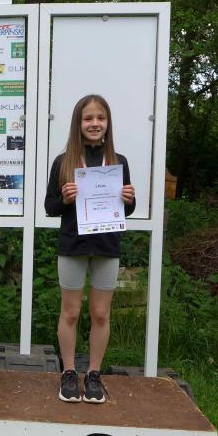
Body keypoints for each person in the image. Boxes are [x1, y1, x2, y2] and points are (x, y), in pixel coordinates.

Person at [44, 95, 136, 403]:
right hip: (73, 245)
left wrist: (129, 199)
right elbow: (50, 207)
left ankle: (94, 373)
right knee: (70, 312)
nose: (95, 123)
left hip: (107, 245)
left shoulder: (119, 162)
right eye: (88, 118)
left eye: (100, 118)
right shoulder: (64, 162)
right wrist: (65, 199)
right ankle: (69, 371)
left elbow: (127, 208)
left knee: (100, 313)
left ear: (108, 123)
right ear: (78, 123)